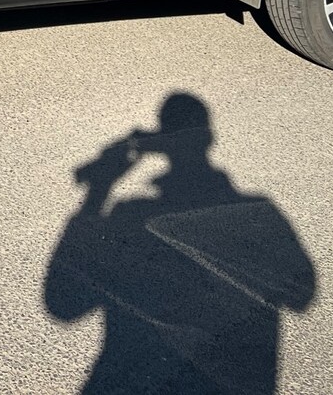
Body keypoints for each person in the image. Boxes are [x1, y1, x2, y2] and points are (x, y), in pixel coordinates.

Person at [44, 94, 316, 393]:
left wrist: (99, 189)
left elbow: (64, 304)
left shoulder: (133, 216)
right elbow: (301, 294)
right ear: (209, 139)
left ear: (159, 145)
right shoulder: (259, 213)